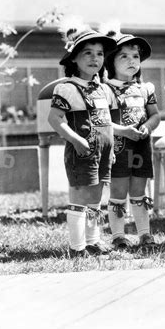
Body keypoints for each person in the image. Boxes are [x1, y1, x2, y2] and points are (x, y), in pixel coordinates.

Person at [48, 20, 117, 257]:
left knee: (96, 196)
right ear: (74, 59)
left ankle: (92, 240)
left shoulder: (104, 89)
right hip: (82, 150)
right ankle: (76, 247)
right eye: (87, 53)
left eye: (99, 53)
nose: (94, 58)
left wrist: (113, 147)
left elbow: (107, 121)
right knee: (79, 195)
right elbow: (55, 119)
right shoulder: (66, 88)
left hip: (104, 151)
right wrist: (77, 140)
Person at [102, 24, 161, 251]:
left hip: (141, 147)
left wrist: (147, 126)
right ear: (111, 62)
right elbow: (102, 121)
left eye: (135, 56)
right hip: (117, 148)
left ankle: (145, 233)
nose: (131, 61)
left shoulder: (145, 88)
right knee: (118, 191)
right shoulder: (105, 89)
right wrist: (123, 130)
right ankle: (118, 235)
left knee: (139, 190)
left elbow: (155, 115)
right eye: (123, 56)